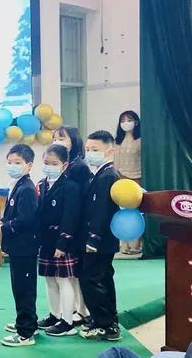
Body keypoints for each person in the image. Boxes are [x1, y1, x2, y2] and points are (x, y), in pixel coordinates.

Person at [0, 144, 39, 347]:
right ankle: (28, 323)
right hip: (18, 248)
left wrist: (4, 229)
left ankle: (25, 333)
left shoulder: (27, 189)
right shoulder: (18, 185)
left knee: (24, 290)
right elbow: (14, 214)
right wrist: (2, 222)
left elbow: (26, 220)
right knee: (20, 287)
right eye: (9, 162)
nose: (12, 166)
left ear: (29, 165)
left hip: (25, 247)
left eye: (17, 162)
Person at [35, 144, 82, 337]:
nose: (49, 166)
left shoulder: (71, 187)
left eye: (54, 163)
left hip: (62, 242)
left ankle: (67, 321)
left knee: (64, 280)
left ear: (64, 165)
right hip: (45, 240)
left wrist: (63, 243)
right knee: (49, 279)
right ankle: (54, 315)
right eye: (46, 162)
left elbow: (70, 217)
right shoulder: (41, 184)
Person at [79, 130, 122, 341]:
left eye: (95, 149)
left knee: (91, 279)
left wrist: (93, 239)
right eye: (87, 149)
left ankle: (105, 324)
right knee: (102, 278)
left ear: (110, 151)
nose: (90, 153)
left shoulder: (108, 176)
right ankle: (107, 319)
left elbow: (102, 211)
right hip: (102, 239)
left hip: (100, 240)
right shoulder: (100, 174)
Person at [52, 126, 92, 327]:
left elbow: (77, 202)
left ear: (74, 140)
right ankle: (76, 308)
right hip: (67, 225)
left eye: (62, 138)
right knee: (72, 274)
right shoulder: (65, 165)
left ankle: (83, 310)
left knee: (77, 273)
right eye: (54, 138)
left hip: (77, 226)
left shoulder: (79, 167)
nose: (57, 141)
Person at [113, 111, 142, 256]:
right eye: (122, 120)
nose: (126, 123)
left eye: (129, 120)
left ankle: (136, 244)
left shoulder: (141, 139)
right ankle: (123, 244)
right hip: (121, 178)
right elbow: (115, 160)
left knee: (137, 211)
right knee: (122, 211)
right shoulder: (118, 140)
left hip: (138, 178)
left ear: (136, 122)